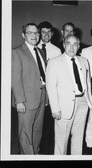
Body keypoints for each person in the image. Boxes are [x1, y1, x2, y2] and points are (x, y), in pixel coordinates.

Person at [46, 35, 92, 155]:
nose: (72, 47)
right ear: (64, 45)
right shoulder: (54, 62)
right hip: (63, 106)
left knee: (78, 139)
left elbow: (87, 83)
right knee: (61, 141)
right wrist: (55, 109)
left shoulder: (84, 61)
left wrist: (89, 102)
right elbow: (51, 87)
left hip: (82, 103)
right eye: (68, 44)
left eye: (75, 44)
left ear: (79, 46)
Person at [12, 23, 48, 154]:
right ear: (23, 35)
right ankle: (28, 157)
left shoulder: (40, 51)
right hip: (26, 100)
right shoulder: (17, 52)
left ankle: (34, 153)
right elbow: (15, 79)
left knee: (37, 130)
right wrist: (19, 101)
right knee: (25, 132)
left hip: (41, 97)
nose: (34, 35)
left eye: (36, 33)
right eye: (30, 33)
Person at [37, 21, 61, 154]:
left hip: (51, 91)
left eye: (48, 32)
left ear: (52, 34)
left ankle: (46, 149)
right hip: (37, 90)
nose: (45, 35)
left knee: (48, 122)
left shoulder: (56, 50)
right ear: (39, 33)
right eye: (43, 32)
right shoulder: (34, 47)